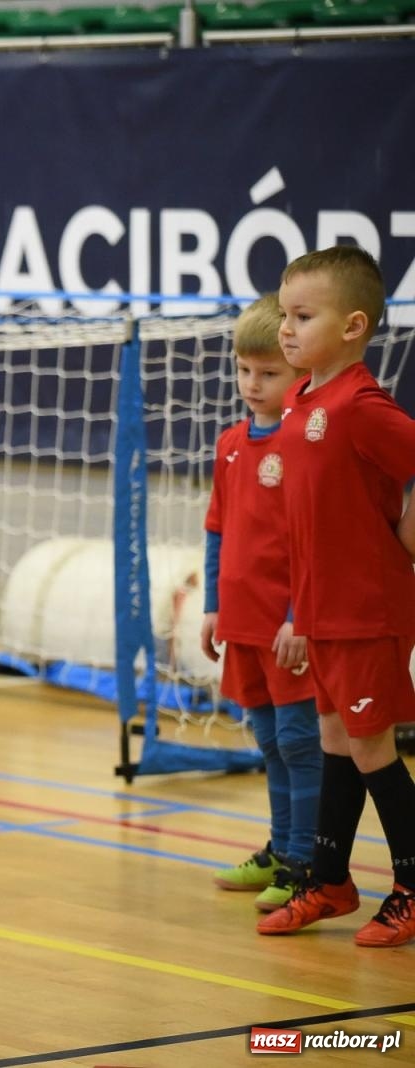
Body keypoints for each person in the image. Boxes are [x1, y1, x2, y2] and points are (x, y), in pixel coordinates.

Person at [258, 246, 415, 946]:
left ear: (353, 326)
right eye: (284, 314)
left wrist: (406, 536)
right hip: (320, 609)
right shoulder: (299, 400)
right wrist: (297, 607)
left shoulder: (358, 404)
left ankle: (411, 886)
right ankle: (330, 879)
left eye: (303, 316)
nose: (286, 329)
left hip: (366, 609)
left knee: (372, 746)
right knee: (333, 741)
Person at [200, 293, 321, 912]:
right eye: (244, 370)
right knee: (269, 740)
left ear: (300, 373)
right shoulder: (228, 445)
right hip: (243, 624)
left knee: (301, 742)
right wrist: (213, 606)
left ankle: (307, 861)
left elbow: (313, 542)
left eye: (268, 373)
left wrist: (302, 615)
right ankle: (281, 848)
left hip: (288, 628)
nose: (252, 383)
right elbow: (218, 528)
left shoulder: (303, 444)